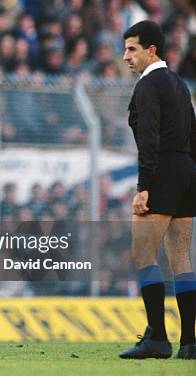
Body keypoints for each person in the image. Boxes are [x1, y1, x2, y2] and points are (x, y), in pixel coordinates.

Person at [120, 20, 196, 360]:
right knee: (181, 258)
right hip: (187, 173)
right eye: (125, 49)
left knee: (142, 253)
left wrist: (144, 186)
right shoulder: (179, 83)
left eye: (132, 49)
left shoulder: (149, 85)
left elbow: (148, 138)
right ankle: (190, 343)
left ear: (152, 49)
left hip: (162, 172)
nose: (126, 57)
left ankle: (157, 338)